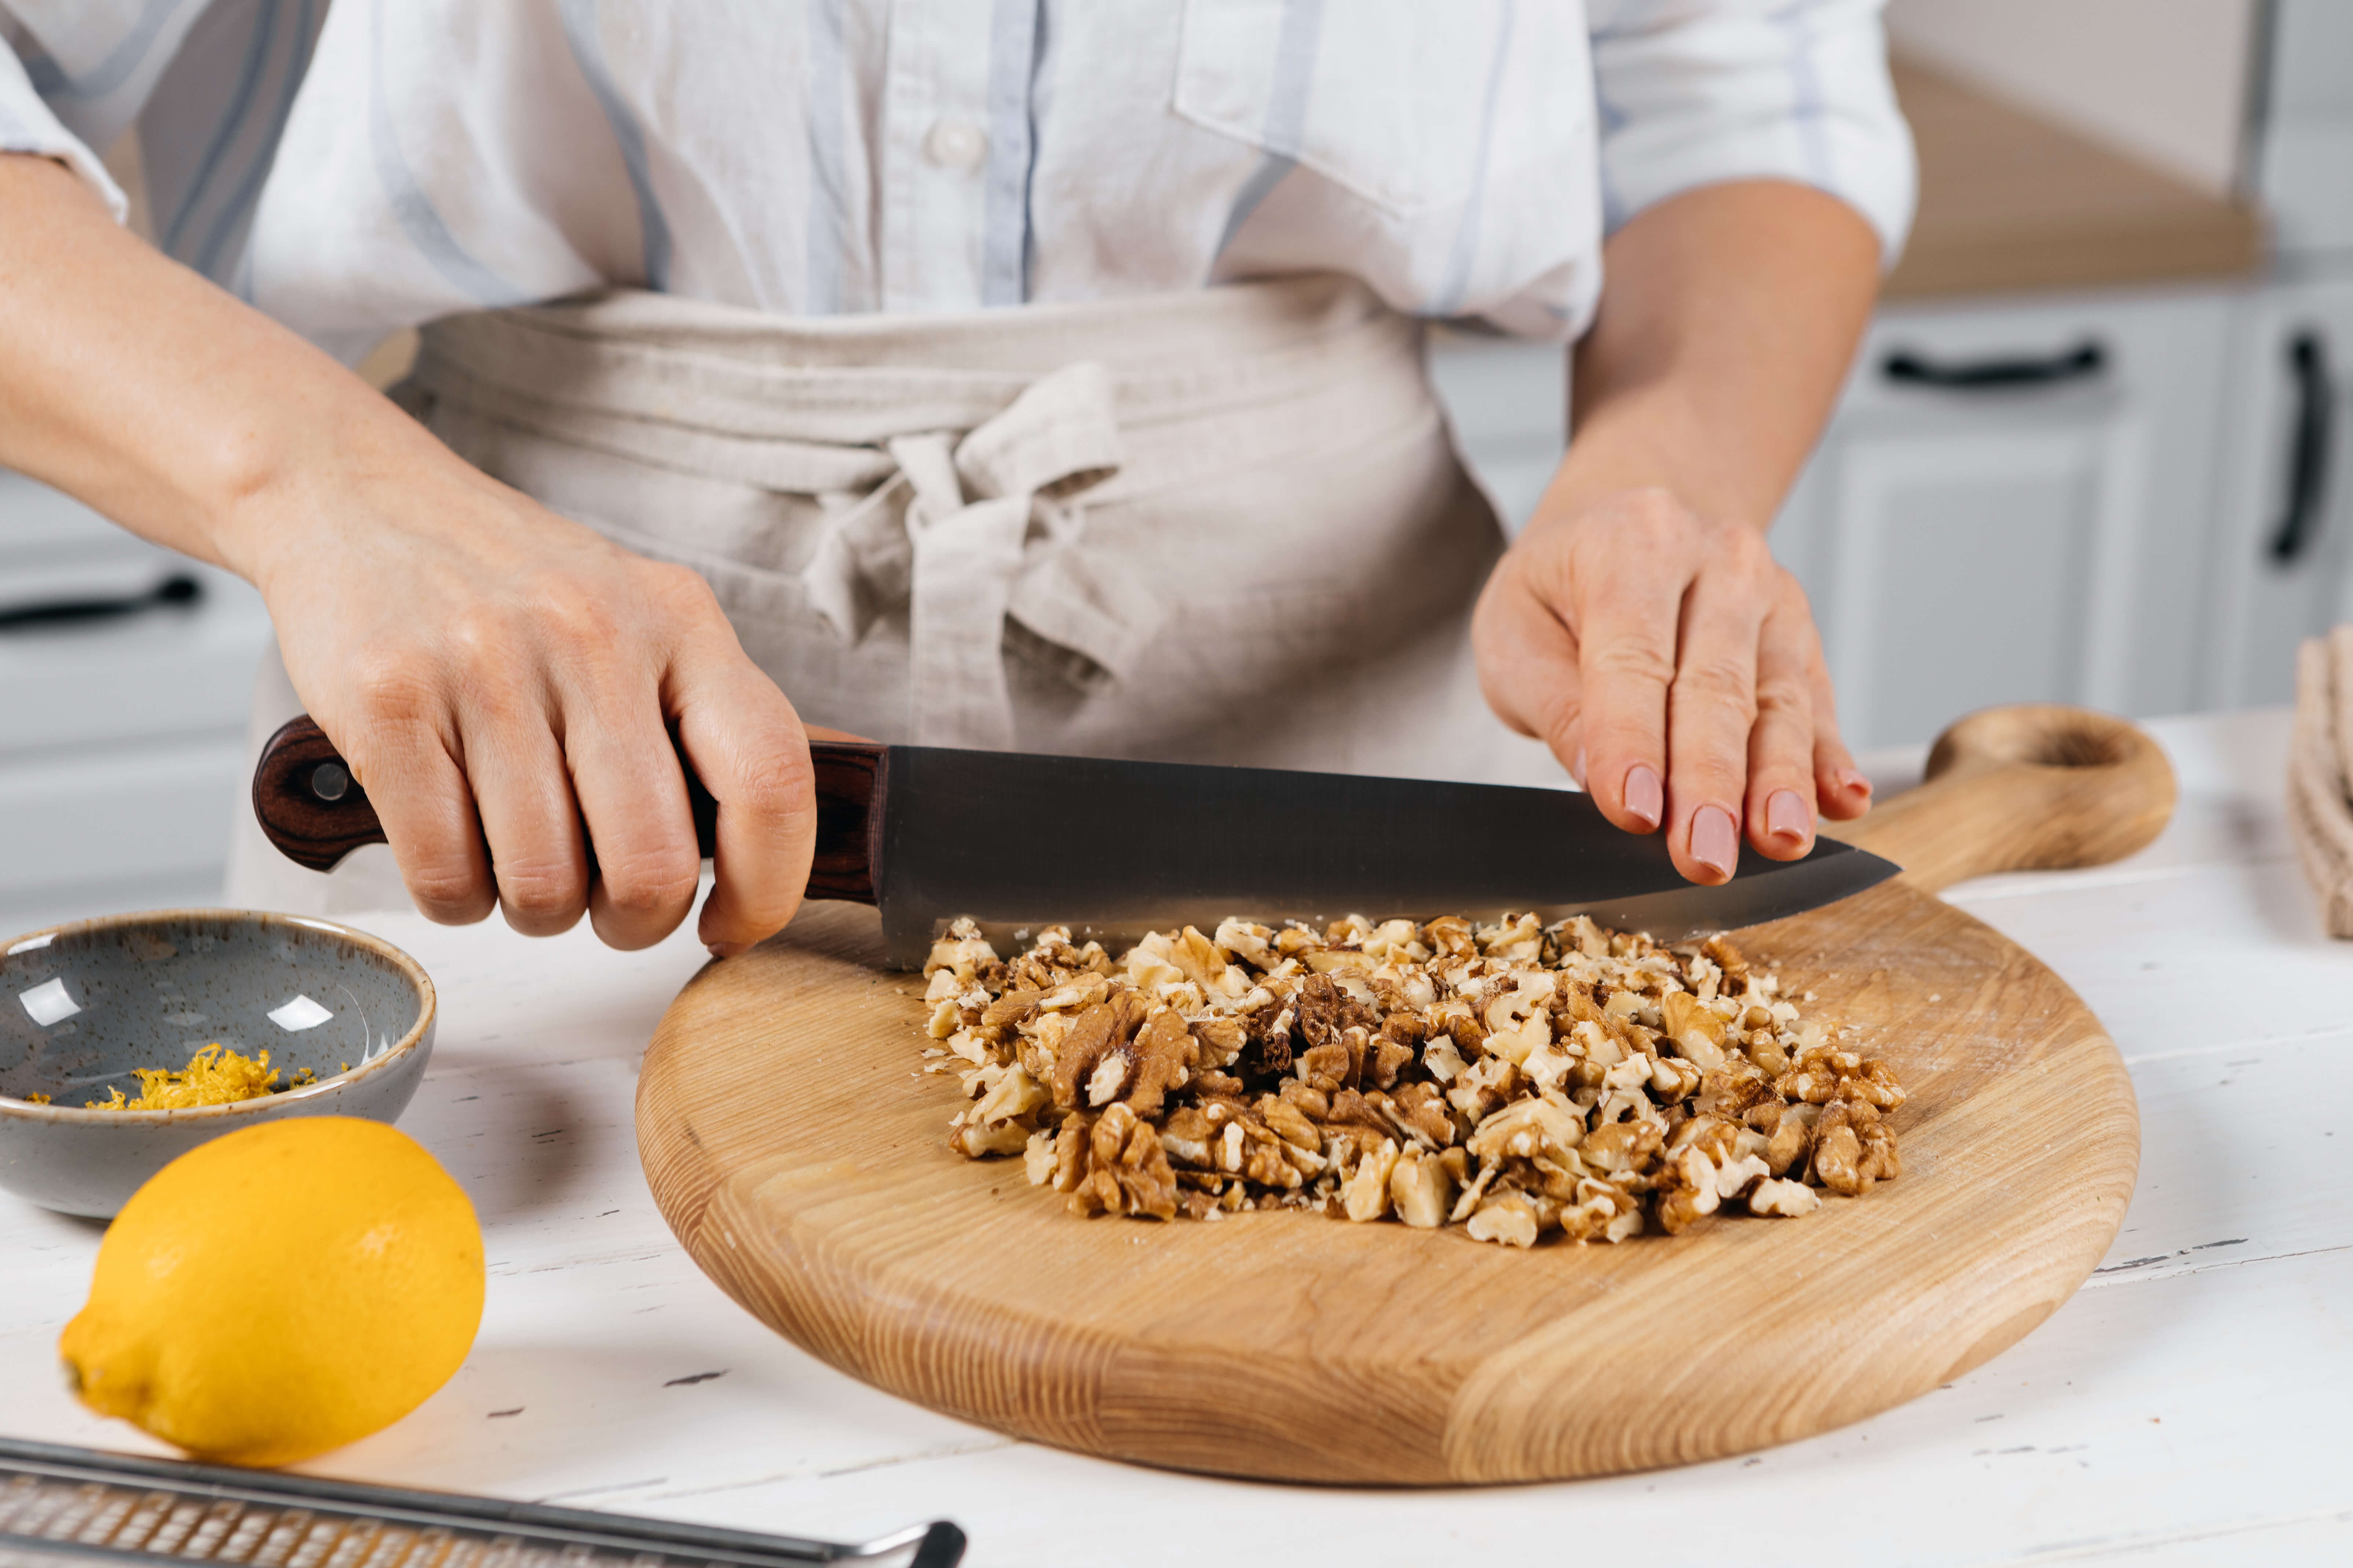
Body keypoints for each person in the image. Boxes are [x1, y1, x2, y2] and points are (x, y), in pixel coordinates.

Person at [0, 1, 1907, 957]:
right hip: (537, 774)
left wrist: (1659, 470)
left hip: (1381, 704)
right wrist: (319, 483)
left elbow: (1733, 80)